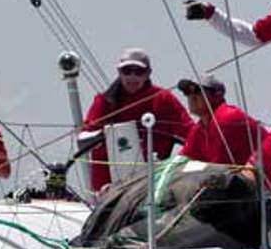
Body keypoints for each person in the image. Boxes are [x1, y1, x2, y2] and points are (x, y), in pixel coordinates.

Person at [83, 48, 193, 191]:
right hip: (108, 188)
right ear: (119, 72)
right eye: (126, 71)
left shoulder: (163, 99)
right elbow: (83, 138)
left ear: (148, 73)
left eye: (139, 72)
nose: (132, 77)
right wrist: (105, 135)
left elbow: (192, 134)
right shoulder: (104, 102)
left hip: (153, 184)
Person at [177, 74, 266, 165]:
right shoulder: (200, 128)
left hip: (267, 176)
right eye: (187, 92)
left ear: (217, 95)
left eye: (197, 91)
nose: (191, 97)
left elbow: (219, 167)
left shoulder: (227, 117)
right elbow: (182, 161)